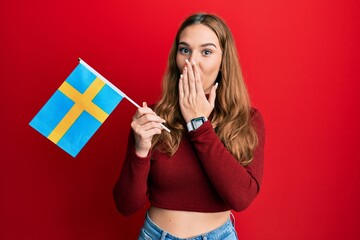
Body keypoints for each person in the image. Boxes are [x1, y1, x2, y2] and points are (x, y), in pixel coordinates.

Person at [113, 12, 265, 240]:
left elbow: (241, 198)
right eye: (185, 50)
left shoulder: (247, 119)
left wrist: (199, 125)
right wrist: (140, 150)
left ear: (224, 60)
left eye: (206, 52)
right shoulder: (152, 118)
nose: (192, 61)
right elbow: (126, 205)